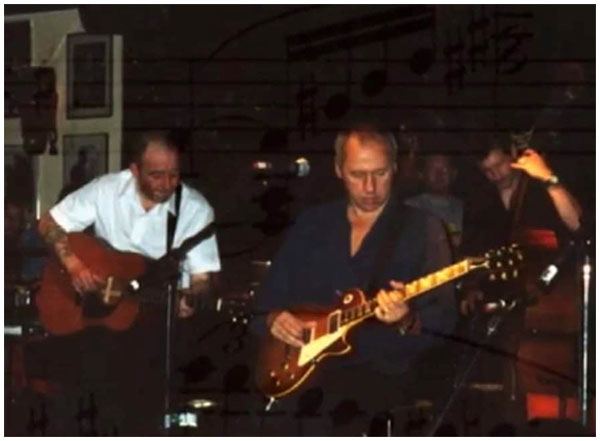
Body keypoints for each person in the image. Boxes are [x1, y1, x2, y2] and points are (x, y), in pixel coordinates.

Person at [251, 124, 457, 436]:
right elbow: (265, 302)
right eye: (357, 175)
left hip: (384, 380)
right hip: (304, 380)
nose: (371, 187)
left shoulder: (424, 229)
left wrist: (408, 320)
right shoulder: (312, 224)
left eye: (381, 173)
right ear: (338, 170)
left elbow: (445, 318)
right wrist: (273, 319)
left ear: (396, 168)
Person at [29, 130, 221, 435]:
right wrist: (74, 265)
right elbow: (49, 223)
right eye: (156, 175)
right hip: (98, 325)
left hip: (154, 320)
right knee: (71, 388)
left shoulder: (195, 210)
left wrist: (193, 296)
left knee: (136, 402)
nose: (167, 184)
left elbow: (202, 278)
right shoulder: (106, 190)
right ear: (134, 171)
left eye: (174, 175)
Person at [460, 133, 583, 431]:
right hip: (500, 310)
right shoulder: (480, 201)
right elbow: (471, 252)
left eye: (500, 165)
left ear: (513, 154)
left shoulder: (540, 190)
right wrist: (471, 287)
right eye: (487, 171)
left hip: (547, 304)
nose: (496, 176)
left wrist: (548, 178)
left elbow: (579, 225)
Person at [405, 153, 463, 251]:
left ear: (453, 173)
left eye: (444, 170)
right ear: (422, 174)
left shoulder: (464, 208)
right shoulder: (410, 207)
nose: (439, 175)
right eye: (433, 170)